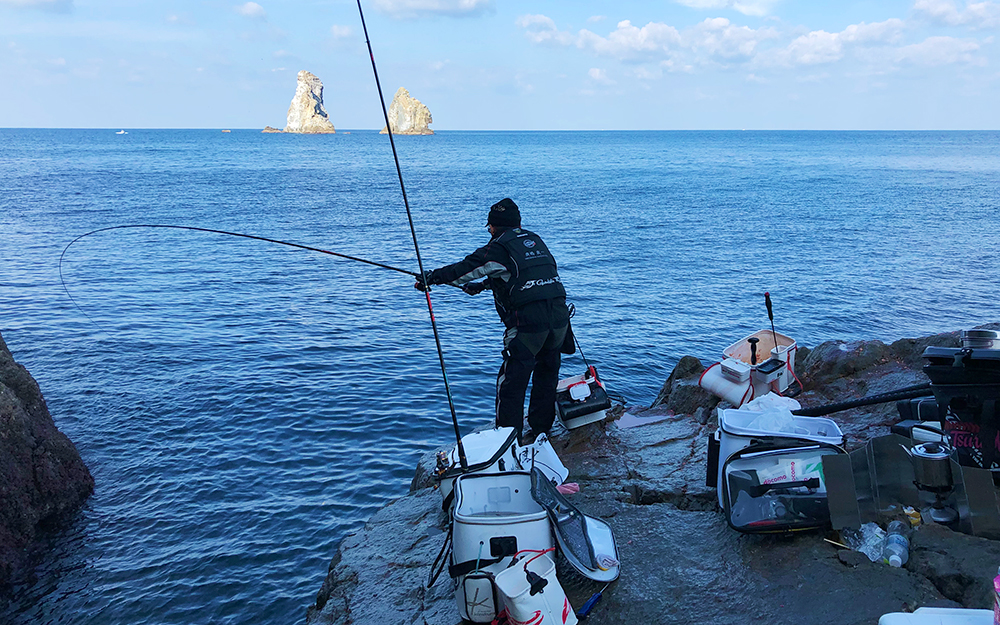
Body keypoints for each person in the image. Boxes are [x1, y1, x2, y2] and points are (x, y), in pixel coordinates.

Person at [415, 198, 570, 442]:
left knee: (511, 385)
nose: (489, 230)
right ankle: (542, 431)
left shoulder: (498, 247)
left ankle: (508, 442)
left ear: (496, 227)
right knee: (546, 374)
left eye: (489, 226)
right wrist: (484, 286)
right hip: (560, 321)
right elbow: (524, 274)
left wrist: (431, 278)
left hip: (528, 325)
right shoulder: (535, 240)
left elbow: (464, 270)